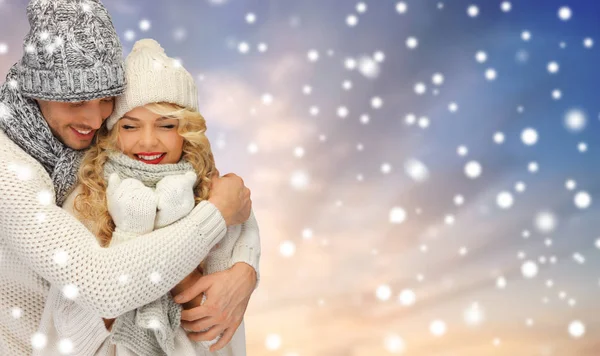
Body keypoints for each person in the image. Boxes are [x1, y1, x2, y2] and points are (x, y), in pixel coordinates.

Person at [0, 1, 259, 354]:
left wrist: (243, 272)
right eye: (76, 102)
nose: (94, 121)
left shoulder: (97, 153)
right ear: (36, 91)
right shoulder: (9, 171)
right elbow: (103, 285)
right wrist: (216, 214)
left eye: (106, 99)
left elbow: (237, 216)